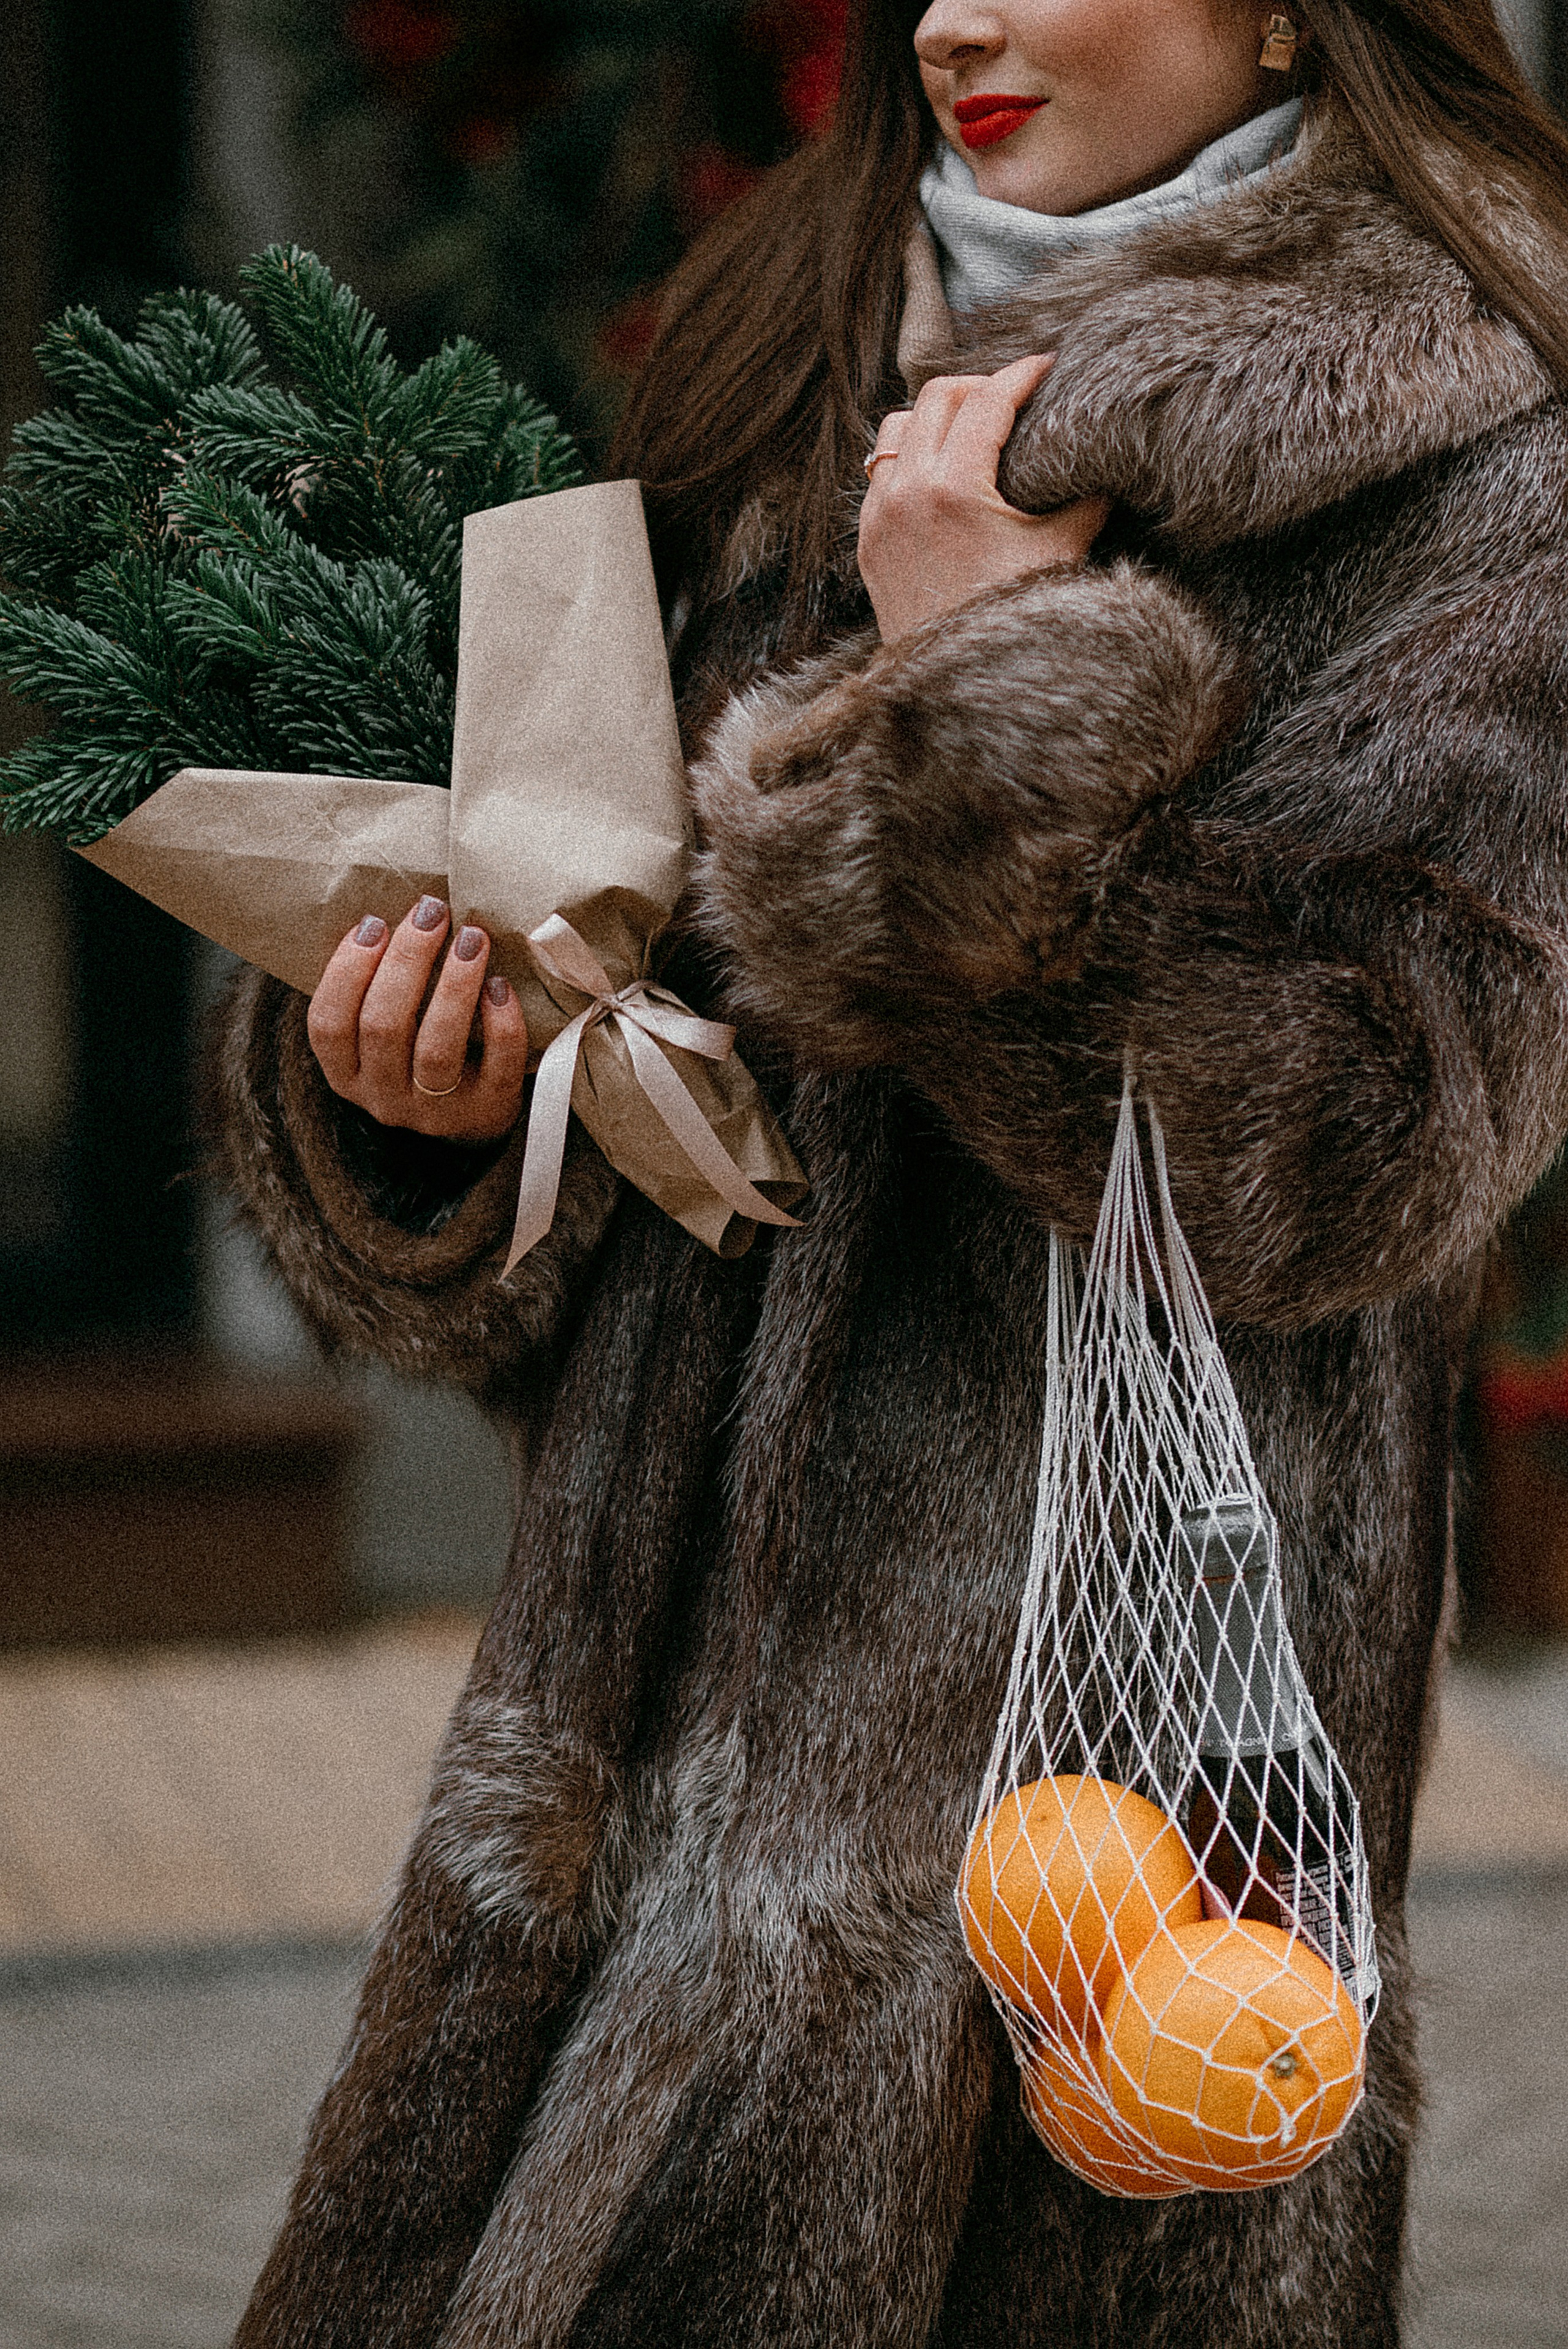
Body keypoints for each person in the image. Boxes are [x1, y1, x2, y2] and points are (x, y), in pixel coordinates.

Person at [218, 0, 1568, 2339]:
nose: (952, 15)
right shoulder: (789, 363)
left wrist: (1008, 690)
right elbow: (658, 1042)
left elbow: (1361, 1150)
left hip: (1071, 1859)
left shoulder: (1481, 462)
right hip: (591, 1793)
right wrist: (430, 1096)